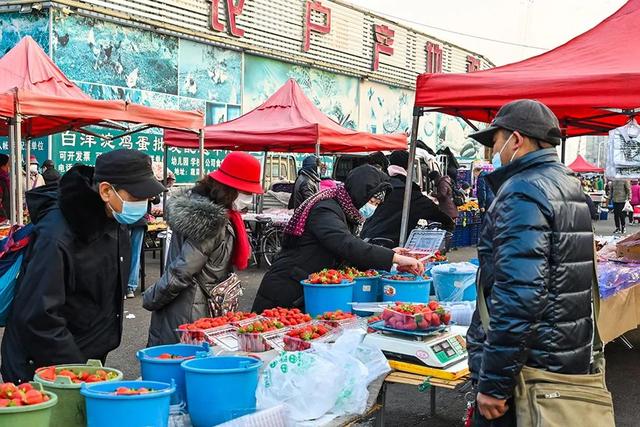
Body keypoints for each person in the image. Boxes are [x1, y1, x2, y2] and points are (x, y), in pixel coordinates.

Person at [466, 100, 594, 426]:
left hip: (528, 372)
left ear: (517, 140)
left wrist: (494, 383)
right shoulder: (567, 183)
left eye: (495, 142)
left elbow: (519, 295)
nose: (492, 152)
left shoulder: (522, 191)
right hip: (561, 359)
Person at [0, 149, 164, 383]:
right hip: (43, 368)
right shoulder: (57, 234)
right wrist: (80, 372)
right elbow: (39, 315)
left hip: (86, 358)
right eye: (137, 197)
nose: (143, 205)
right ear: (106, 191)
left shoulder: (114, 219)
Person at [252, 164, 424, 312]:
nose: (373, 208)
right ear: (360, 193)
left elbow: (350, 253)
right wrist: (394, 258)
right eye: (372, 202)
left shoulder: (347, 212)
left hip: (307, 290)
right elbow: (346, 244)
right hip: (285, 290)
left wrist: (390, 257)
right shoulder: (325, 209)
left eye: (376, 204)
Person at [143, 152, 262, 346]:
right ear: (229, 189)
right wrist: (151, 297)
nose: (249, 198)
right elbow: (182, 271)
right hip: (191, 307)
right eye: (246, 192)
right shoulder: (211, 222)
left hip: (196, 303)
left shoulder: (218, 212)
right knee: (184, 362)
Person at [361, 151, 454, 246]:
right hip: (387, 245)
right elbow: (433, 211)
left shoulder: (381, 184)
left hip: (365, 239)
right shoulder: (409, 192)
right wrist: (448, 222)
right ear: (408, 167)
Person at [0, 154, 10, 223]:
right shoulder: (1, 181)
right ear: (2, 166)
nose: (9, 167)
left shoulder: (5, 180)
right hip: (2, 220)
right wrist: (4, 217)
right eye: (7, 165)